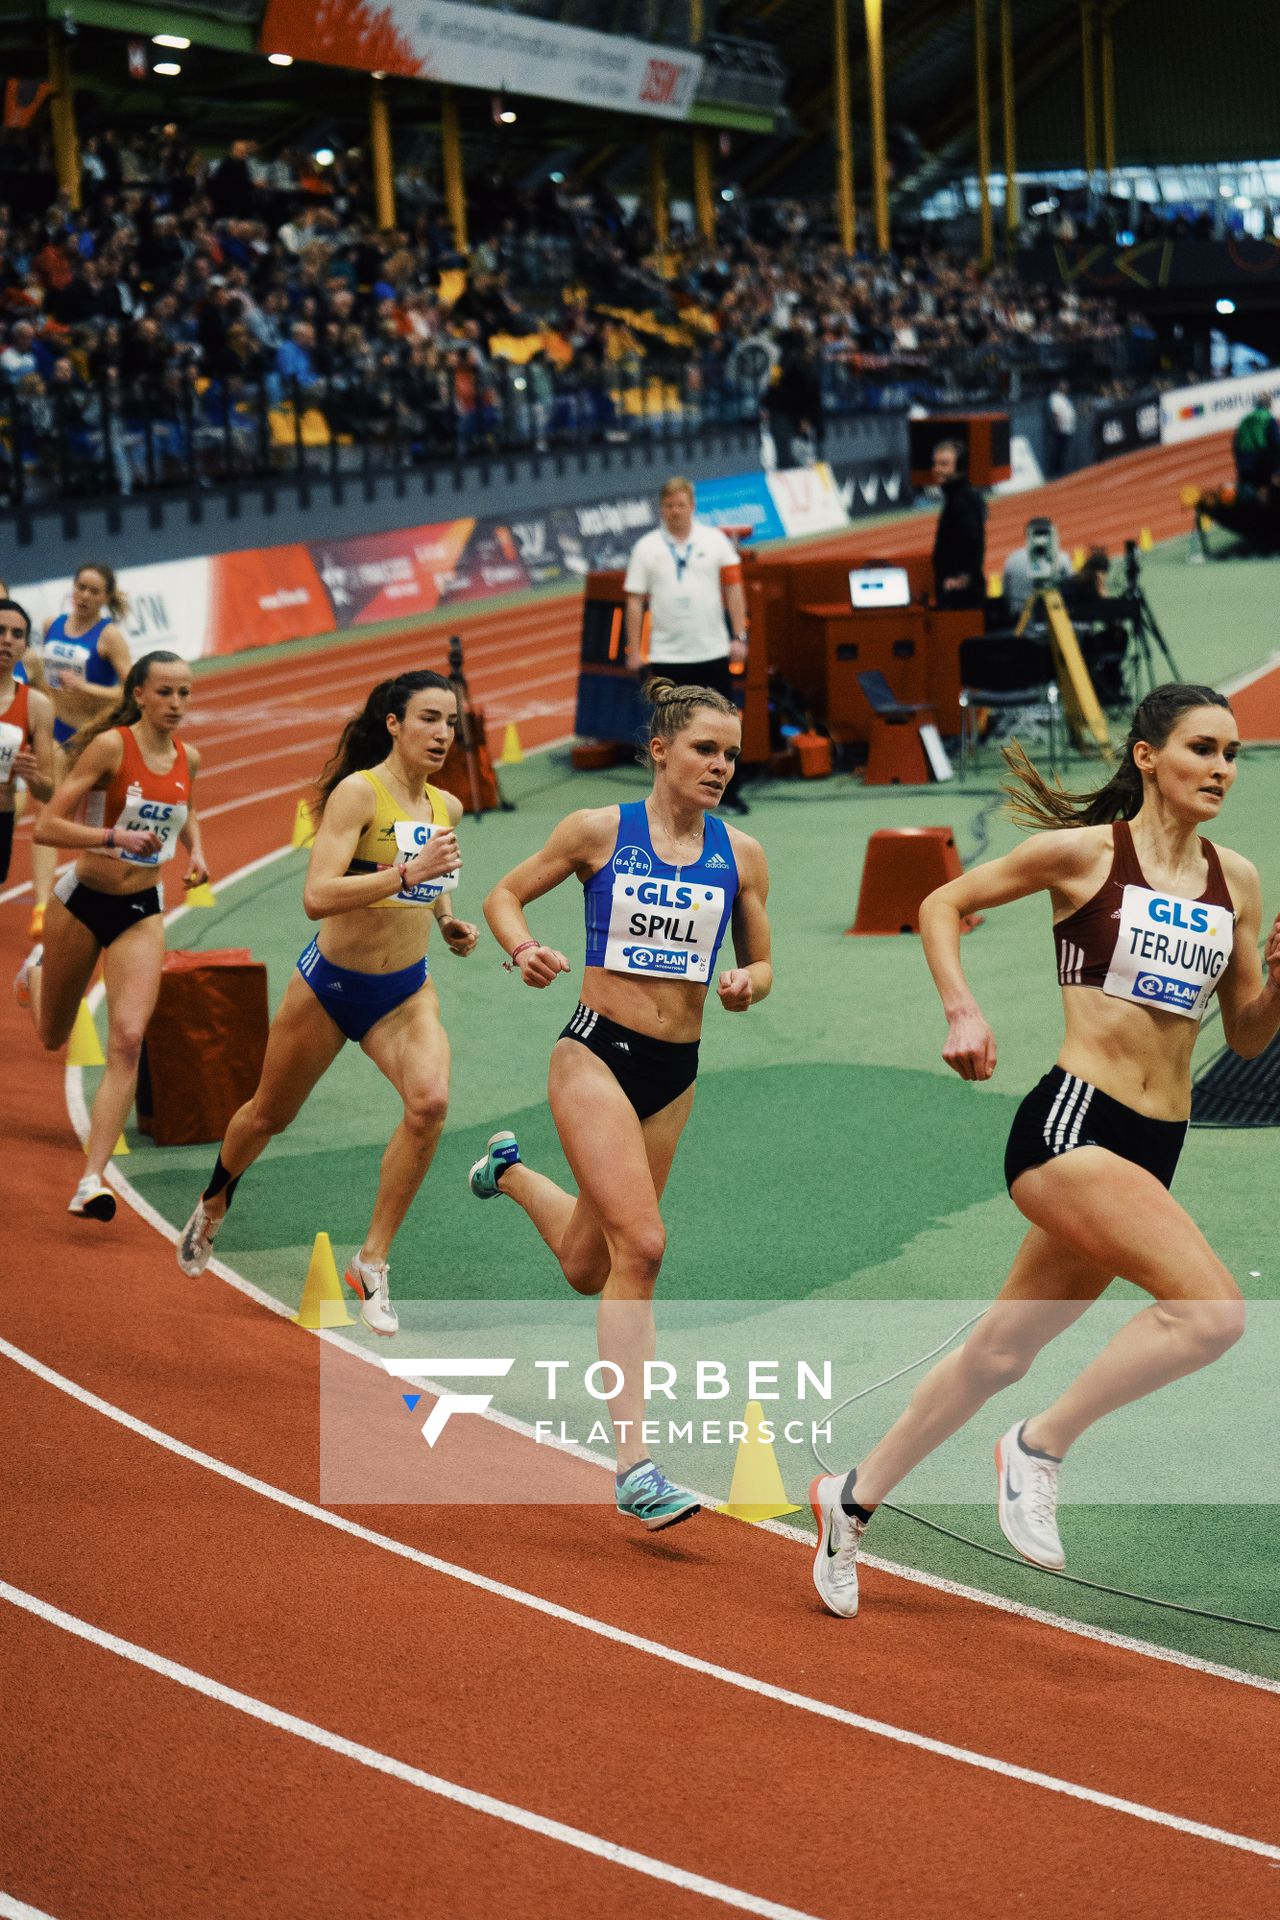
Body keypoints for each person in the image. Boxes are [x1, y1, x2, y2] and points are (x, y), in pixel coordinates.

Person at [810, 683, 1280, 1619]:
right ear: (1148, 756)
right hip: (1071, 1124)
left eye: (1231, 753)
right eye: (1201, 749)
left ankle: (849, 1500)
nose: (1221, 769)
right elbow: (942, 901)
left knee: (1000, 1350)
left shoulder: (1241, 881)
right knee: (1214, 1314)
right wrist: (963, 1008)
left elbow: (1251, 1036)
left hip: (1156, 1145)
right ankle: (1041, 1444)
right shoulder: (1082, 855)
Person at [472, 677, 773, 1530]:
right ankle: (636, 1466)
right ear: (660, 752)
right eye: (705, 750)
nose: (720, 766)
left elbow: (764, 961)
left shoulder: (741, 854)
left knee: (589, 1265)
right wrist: (524, 946)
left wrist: (750, 980)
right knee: (642, 1244)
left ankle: (507, 1171)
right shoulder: (599, 831)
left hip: (675, 1071)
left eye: (730, 755)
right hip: (595, 1055)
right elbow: (503, 894)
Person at [175, 671, 477, 1337]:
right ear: (394, 724)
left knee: (429, 1103)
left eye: (451, 722)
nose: (442, 734)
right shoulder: (357, 794)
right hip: (330, 987)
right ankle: (215, 1198)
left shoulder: (446, 808)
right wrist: (404, 875)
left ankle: (372, 1260)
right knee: (264, 1118)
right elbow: (317, 894)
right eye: (429, 718)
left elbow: (435, 881)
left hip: (404, 991)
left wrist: (449, 918)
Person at [26, 651, 209, 1220]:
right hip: (82, 903)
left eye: (184, 692)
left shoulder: (189, 757)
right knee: (54, 1035)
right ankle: (35, 977)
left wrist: (196, 850)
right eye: (166, 692)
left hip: (141, 908)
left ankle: (91, 1179)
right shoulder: (111, 747)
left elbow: (184, 806)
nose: (177, 704)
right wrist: (113, 838)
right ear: (138, 694)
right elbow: (46, 825)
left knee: (127, 1038)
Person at [623, 476, 751, 815]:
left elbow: (735, 590)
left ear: (692, 506)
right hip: (667, 655)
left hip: (711, 651)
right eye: (669, 505)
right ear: (661, 509)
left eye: (681, 504)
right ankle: (667, 799)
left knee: (723, 725)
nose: (675, 511)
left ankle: (730, 794)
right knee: (669, 731)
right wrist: (633, 650)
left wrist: (739, 636)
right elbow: (634, 600)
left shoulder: (716, 541)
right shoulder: (646, 547)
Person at [28, 561, 132, 941]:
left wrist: (85, 687)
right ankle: (41, 906)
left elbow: (130, 690)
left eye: (93, 591)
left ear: (105, 598)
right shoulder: (50, 626)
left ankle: (100, 896)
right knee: (48, 813)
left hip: (94, 739)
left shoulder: (109, 637)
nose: (85, 596)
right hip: (57, 733)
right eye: (80, 588)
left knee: (95, 822)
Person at [0, 598, 55, 885]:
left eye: (17, 635)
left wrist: (32, 776)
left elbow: (47, 792)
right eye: (0, 631)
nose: (7, 641)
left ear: (24, 647)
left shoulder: (36, 706)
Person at [929, 440, 986, 611]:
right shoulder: (959, 496)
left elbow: (972, 540)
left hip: (961, 595)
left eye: (944, 464)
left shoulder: (961, 500)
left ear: (959, 467)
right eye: (936, 463)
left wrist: (963, 577)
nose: (937, 469)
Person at [1001, 516, 1071, 618]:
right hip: (1054, 615)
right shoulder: (1062, 559)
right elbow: (1070, 593)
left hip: (1019, 617)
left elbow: (1006, 594)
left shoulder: (1012, 559)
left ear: (1027, 534)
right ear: (1053, 534)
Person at [1231, 394, 1280, 502]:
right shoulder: (1268, 418)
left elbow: (1235, 444)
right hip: (1261, 464)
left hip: (1243, 465)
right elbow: (1276, 443)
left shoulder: (1245, 420)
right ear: (1269, 405)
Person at [1046, 380, 1077, 478]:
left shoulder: (1064, 397)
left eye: (1066, 386)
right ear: (1059, 387)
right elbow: (1056, 413)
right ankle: (1055, 473)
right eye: (1064, 386)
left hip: (1068, 428)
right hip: (1061, 429)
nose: (1066, 388)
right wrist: (1059, 426)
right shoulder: (1055, 397)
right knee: (1058, 451)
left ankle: (1061, 471)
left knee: (1064, 452)